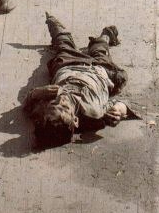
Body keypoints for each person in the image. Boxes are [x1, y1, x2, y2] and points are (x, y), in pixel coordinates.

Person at [24, 13, 138, 147]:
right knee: (103, 54)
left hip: (67, 65)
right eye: (65, 107)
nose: (62, 99)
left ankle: (54, 25)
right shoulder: (94, 112)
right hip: (98, 70)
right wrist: (119, 111)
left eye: (55, 103)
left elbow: (29, 102)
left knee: (63, 43)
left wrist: (36, 93)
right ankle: (106, 35)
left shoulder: (43, 112)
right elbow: (121, 104)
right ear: (76, 120)